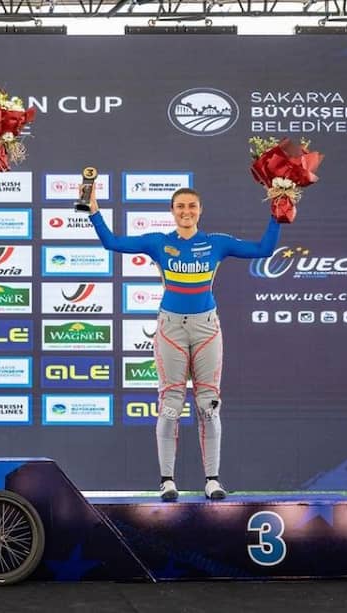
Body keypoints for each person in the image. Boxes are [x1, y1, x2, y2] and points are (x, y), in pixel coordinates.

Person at [87, 184, 280, 501]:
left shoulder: (216, 243)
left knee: (209, 407)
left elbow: (263, 250)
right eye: (180, 206)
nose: (186, 211)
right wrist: (94, 210)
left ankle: (213, 480)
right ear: (172, 211)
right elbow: (111, 243)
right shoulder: (158, 242)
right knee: (170, 408)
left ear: (200, 210)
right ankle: (167, 481)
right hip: (171, 330)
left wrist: (277, 211)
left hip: (206, 330)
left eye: (192, 206)